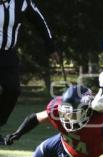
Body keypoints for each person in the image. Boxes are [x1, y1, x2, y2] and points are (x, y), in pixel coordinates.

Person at [4, 85, 103, 157]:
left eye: (74, 114)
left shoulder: (101, 124)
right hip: (61, 142)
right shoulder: (56, 109)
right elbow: (35, 118)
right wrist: (18, 133)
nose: (68, 117)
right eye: (66, 113)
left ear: (87, 110)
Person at [0, 0, 60, 135]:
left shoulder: (21, 2)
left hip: (7, 55)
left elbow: (40, 22)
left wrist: (51, 47)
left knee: (13, 90)